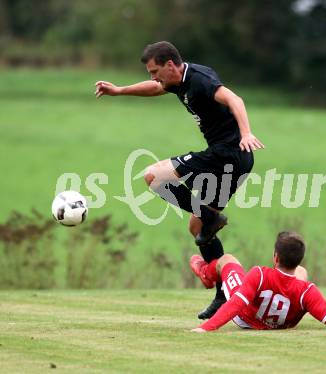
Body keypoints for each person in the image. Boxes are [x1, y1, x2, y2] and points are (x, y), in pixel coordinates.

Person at [95, 41, 264, 319]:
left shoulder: (200, 80)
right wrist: (120, 90)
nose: (153, 77)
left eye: (155, 71)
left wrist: (246, 133)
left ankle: (209, 219)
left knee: (153, 176)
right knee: (197, 226)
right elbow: (156, 88)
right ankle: (223, 294)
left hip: (227, 154)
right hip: (235, 160)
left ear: (170, 65)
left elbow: (235, 99)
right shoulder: (177, 80)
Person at [189, 231, 326, 332]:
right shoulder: (308, 290)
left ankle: (205, 272)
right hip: (282, 323)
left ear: (275, 257)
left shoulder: (259, 274)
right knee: (301, 274)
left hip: (245, 318)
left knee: (227, 260)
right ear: (299, 259)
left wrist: (205, 328)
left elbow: (235, 304)